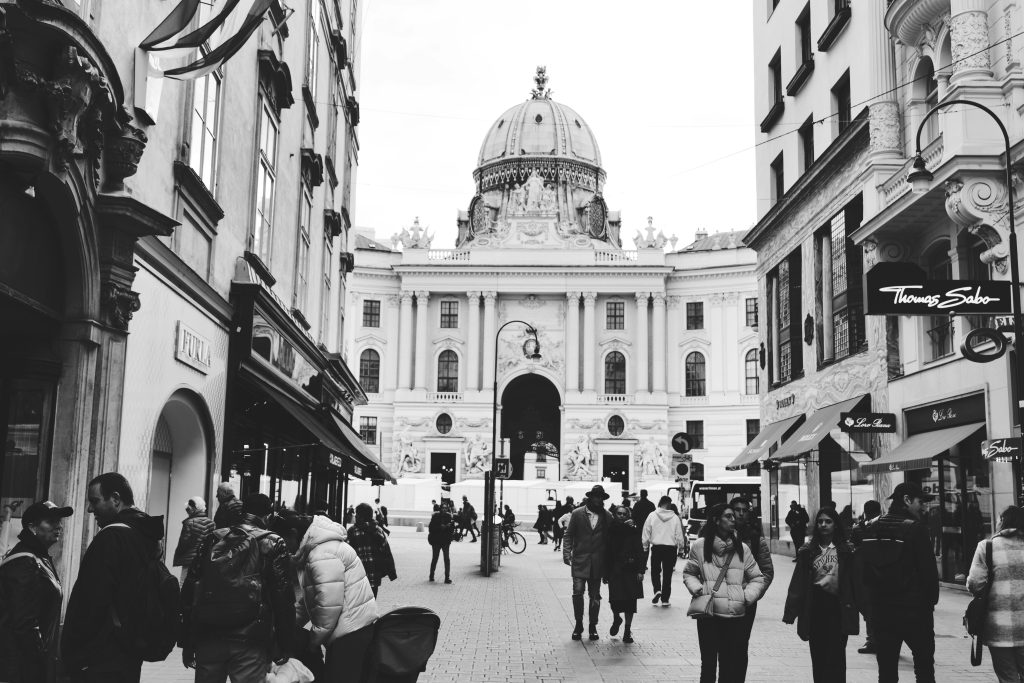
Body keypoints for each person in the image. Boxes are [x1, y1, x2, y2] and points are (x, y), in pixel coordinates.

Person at [62, 472, 167, 683]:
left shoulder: (111, 537)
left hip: (101, 654)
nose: (90, 509)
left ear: (116, 499)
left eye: (95, 501)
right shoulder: (145, 535)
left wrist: (75, 652)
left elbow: (91, 600)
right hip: (129, 649)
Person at [181, 493, 294, 682]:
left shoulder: (213, 538)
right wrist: (285, 644)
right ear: (267, 517)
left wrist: (187, 641)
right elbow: (282, 597)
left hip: (209, 633)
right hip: (251, 639)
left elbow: (190, 591)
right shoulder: (273, 542)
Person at [858, 482, 939, 683]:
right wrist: (929, 604)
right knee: (924, 669)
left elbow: (864, 573)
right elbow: (929, 573)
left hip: (882, 612)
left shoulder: (872, 527)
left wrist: (870, 608)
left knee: (886, 671)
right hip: (915, 611)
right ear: (907, 500)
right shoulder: (917, 529)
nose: (923, 507)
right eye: (920, 502)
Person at [683, 502, 767, 683]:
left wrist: (746, 597)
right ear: (716, 520)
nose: (733, 519)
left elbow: (757, 578)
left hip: (733, 616)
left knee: (728, 665)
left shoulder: (742, 548)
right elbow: (689, 573)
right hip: (708, 615)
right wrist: (697, 589)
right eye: (728, 516)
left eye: (733, 516)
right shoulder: (700, 546)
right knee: (708, 665)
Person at [293, 514, 378, 682]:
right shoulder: (321, 549)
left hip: (350, 630)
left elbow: (328, 606)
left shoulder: (322, 555)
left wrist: (314, 641)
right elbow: (312, 598)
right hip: (354, 627)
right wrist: (289, 625)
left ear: (293, 533)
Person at [783, 507, 859, 682]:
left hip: (838, 608)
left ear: (835, 525)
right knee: (818, 656)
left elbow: (856, 583)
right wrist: (791, 613)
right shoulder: (808, 551)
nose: (823, 525)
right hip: (815, 607)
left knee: (837, 656)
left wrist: (866, 610)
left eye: (828, 521)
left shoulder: (846, 551)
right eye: (820, 521)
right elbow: (798, 584)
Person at [0, 500, 73, 683]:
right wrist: (40, 665)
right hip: (21, 669)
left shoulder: (39, 557)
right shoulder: (24, 561)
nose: (59, 526)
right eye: (51, 521)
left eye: (59, 521)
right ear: (32, 527)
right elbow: (24, 624)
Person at [967, 505, 1024, 682]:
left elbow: (975, 584)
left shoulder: (987, 547)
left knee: (1007, 677)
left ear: (1002, 521)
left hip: (999, 628)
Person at [563, 484, 615, 641]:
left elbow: (614, 536)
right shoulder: (577, 513)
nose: (598, 500)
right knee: (578, 592)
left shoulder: (607, 516)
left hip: (598, 563)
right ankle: (578, 624)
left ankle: (593, 626)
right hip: (580, 560)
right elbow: (568, 534)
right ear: (590, 497)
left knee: (595, 596)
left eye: (600, 497)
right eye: (595, 497)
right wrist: (567, 553)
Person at [732, 495, 773, 676]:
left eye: (744, 510)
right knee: (724, 646)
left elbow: (767, 571)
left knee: (741, 645)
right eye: (737, 510)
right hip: (722, 599)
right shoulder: (719, 536)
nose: (741, 514)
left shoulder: (756, 539)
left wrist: (752, 594)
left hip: (746, 601)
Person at [605, 504, 646, 643]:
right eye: (619, 513)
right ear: (614, 515)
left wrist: (641, 570)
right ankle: (617, 618)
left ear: (627, 515)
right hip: (615, 570)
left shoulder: (633, 530)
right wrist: (605, 572)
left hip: (630, 569)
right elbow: (606, 552)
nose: (621, 516)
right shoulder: (610, 530)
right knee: (614, 600)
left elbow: (640, 550)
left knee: (630, 602)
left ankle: (627, 631)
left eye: (624, 514)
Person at [850, 499, 882, 655]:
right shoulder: (884, 525)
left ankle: (873, 640)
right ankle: (876, 639)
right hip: (880, 573)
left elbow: (853, 548)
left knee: (869, 607)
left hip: (865, 573)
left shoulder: (858, 528)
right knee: (873, 608)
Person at [642, 495, 685, 607]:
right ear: (669, 504)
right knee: (667, 574)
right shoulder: (675, 517)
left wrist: (645, 546)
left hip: (656, 548)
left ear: (660, 503)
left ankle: (657, 590)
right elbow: (679, 534)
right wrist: (681, 548)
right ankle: (665, 599)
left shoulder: (652, 515)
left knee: (655, 571)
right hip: (670, 549)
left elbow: (646, 531)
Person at [347, 502, 397, 598]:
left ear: (361, 516)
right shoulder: (378, 530)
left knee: (358, 602)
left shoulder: (352, 531)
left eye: (357, 514)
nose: (355, 516)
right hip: (374, 575)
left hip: (357, 575)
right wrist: (392, 573)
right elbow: (386, 552)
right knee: (372, 601)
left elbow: (347, 554)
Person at [173, 496, 215, 582]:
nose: (187, 512)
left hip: (189, 560)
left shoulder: (189, 523)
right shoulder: (211, 523)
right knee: (199, 583)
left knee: (184, 582)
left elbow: (183, 543)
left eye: (188, 509)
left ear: (194, 508)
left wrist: (178, 555)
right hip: (204, 559)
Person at [428, 503, 455, 584]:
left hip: (445, 541)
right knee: (435, 558)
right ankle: (431, 575)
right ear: (440, 508)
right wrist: (440, 527)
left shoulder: (449, 516)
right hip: (436, 541)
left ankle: (447, 577)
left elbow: (452, 529)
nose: (444, 509)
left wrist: (450, 526)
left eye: (445, 508)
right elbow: (431, 528)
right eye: (443, 508)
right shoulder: (435, 516)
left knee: (446, 559)